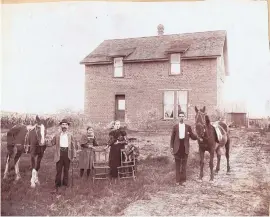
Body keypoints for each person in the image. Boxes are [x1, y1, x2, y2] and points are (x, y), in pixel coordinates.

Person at [170, 111, 202, 186]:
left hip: (185, 147)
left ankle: (183, 181)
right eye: (180, 116)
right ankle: (177, 181)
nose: (181, 117)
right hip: (177, 147)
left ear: (184, 117)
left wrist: (198, 137)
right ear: (178, 117)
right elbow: (172, 138)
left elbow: (192, 136)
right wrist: (171, 147)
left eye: (182, 116)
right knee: (177, 165)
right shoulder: (175, 127)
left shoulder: (188, 127)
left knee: (184, 165)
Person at [50, 119, 76, 191]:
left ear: (68, 126)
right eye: (63, 124)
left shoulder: (70, 135)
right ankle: (57, 184)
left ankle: (65, 184)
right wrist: (47, 140)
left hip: (67, 153)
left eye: (66, 124)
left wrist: (74, 155)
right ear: (61, 125)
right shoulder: (57, 135)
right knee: (59, 170)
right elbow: (52, 143)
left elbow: (73, 146)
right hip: (59, 153)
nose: (64, 126)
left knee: (66, 170)